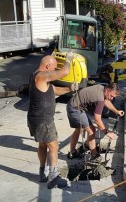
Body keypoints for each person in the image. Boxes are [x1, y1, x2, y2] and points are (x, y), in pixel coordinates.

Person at [27, 52, 76, 189]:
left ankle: (43, 173)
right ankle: (53, 178)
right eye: (53, 68)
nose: (54, 71)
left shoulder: (38, 77)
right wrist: (68, 60)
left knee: (43, 145)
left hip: (37, 118)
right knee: (54, 145)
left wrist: (69, 88)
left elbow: (54, 90)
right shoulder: (41, 75)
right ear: (47, 66)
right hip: (43, 119)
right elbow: (64, 71)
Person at [66, 82, 124, 163]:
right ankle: (94, 155)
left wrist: (116, 111)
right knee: (91, 130)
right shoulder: (99, 98)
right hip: (75, 109)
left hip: (73, 105)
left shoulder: (102, 88)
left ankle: (72, 153)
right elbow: (97, 119)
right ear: (107, 90)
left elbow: (106, 101)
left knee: (78, 130)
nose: (111, 98)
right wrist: (106, 132)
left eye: (113, 97)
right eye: (111, 96)